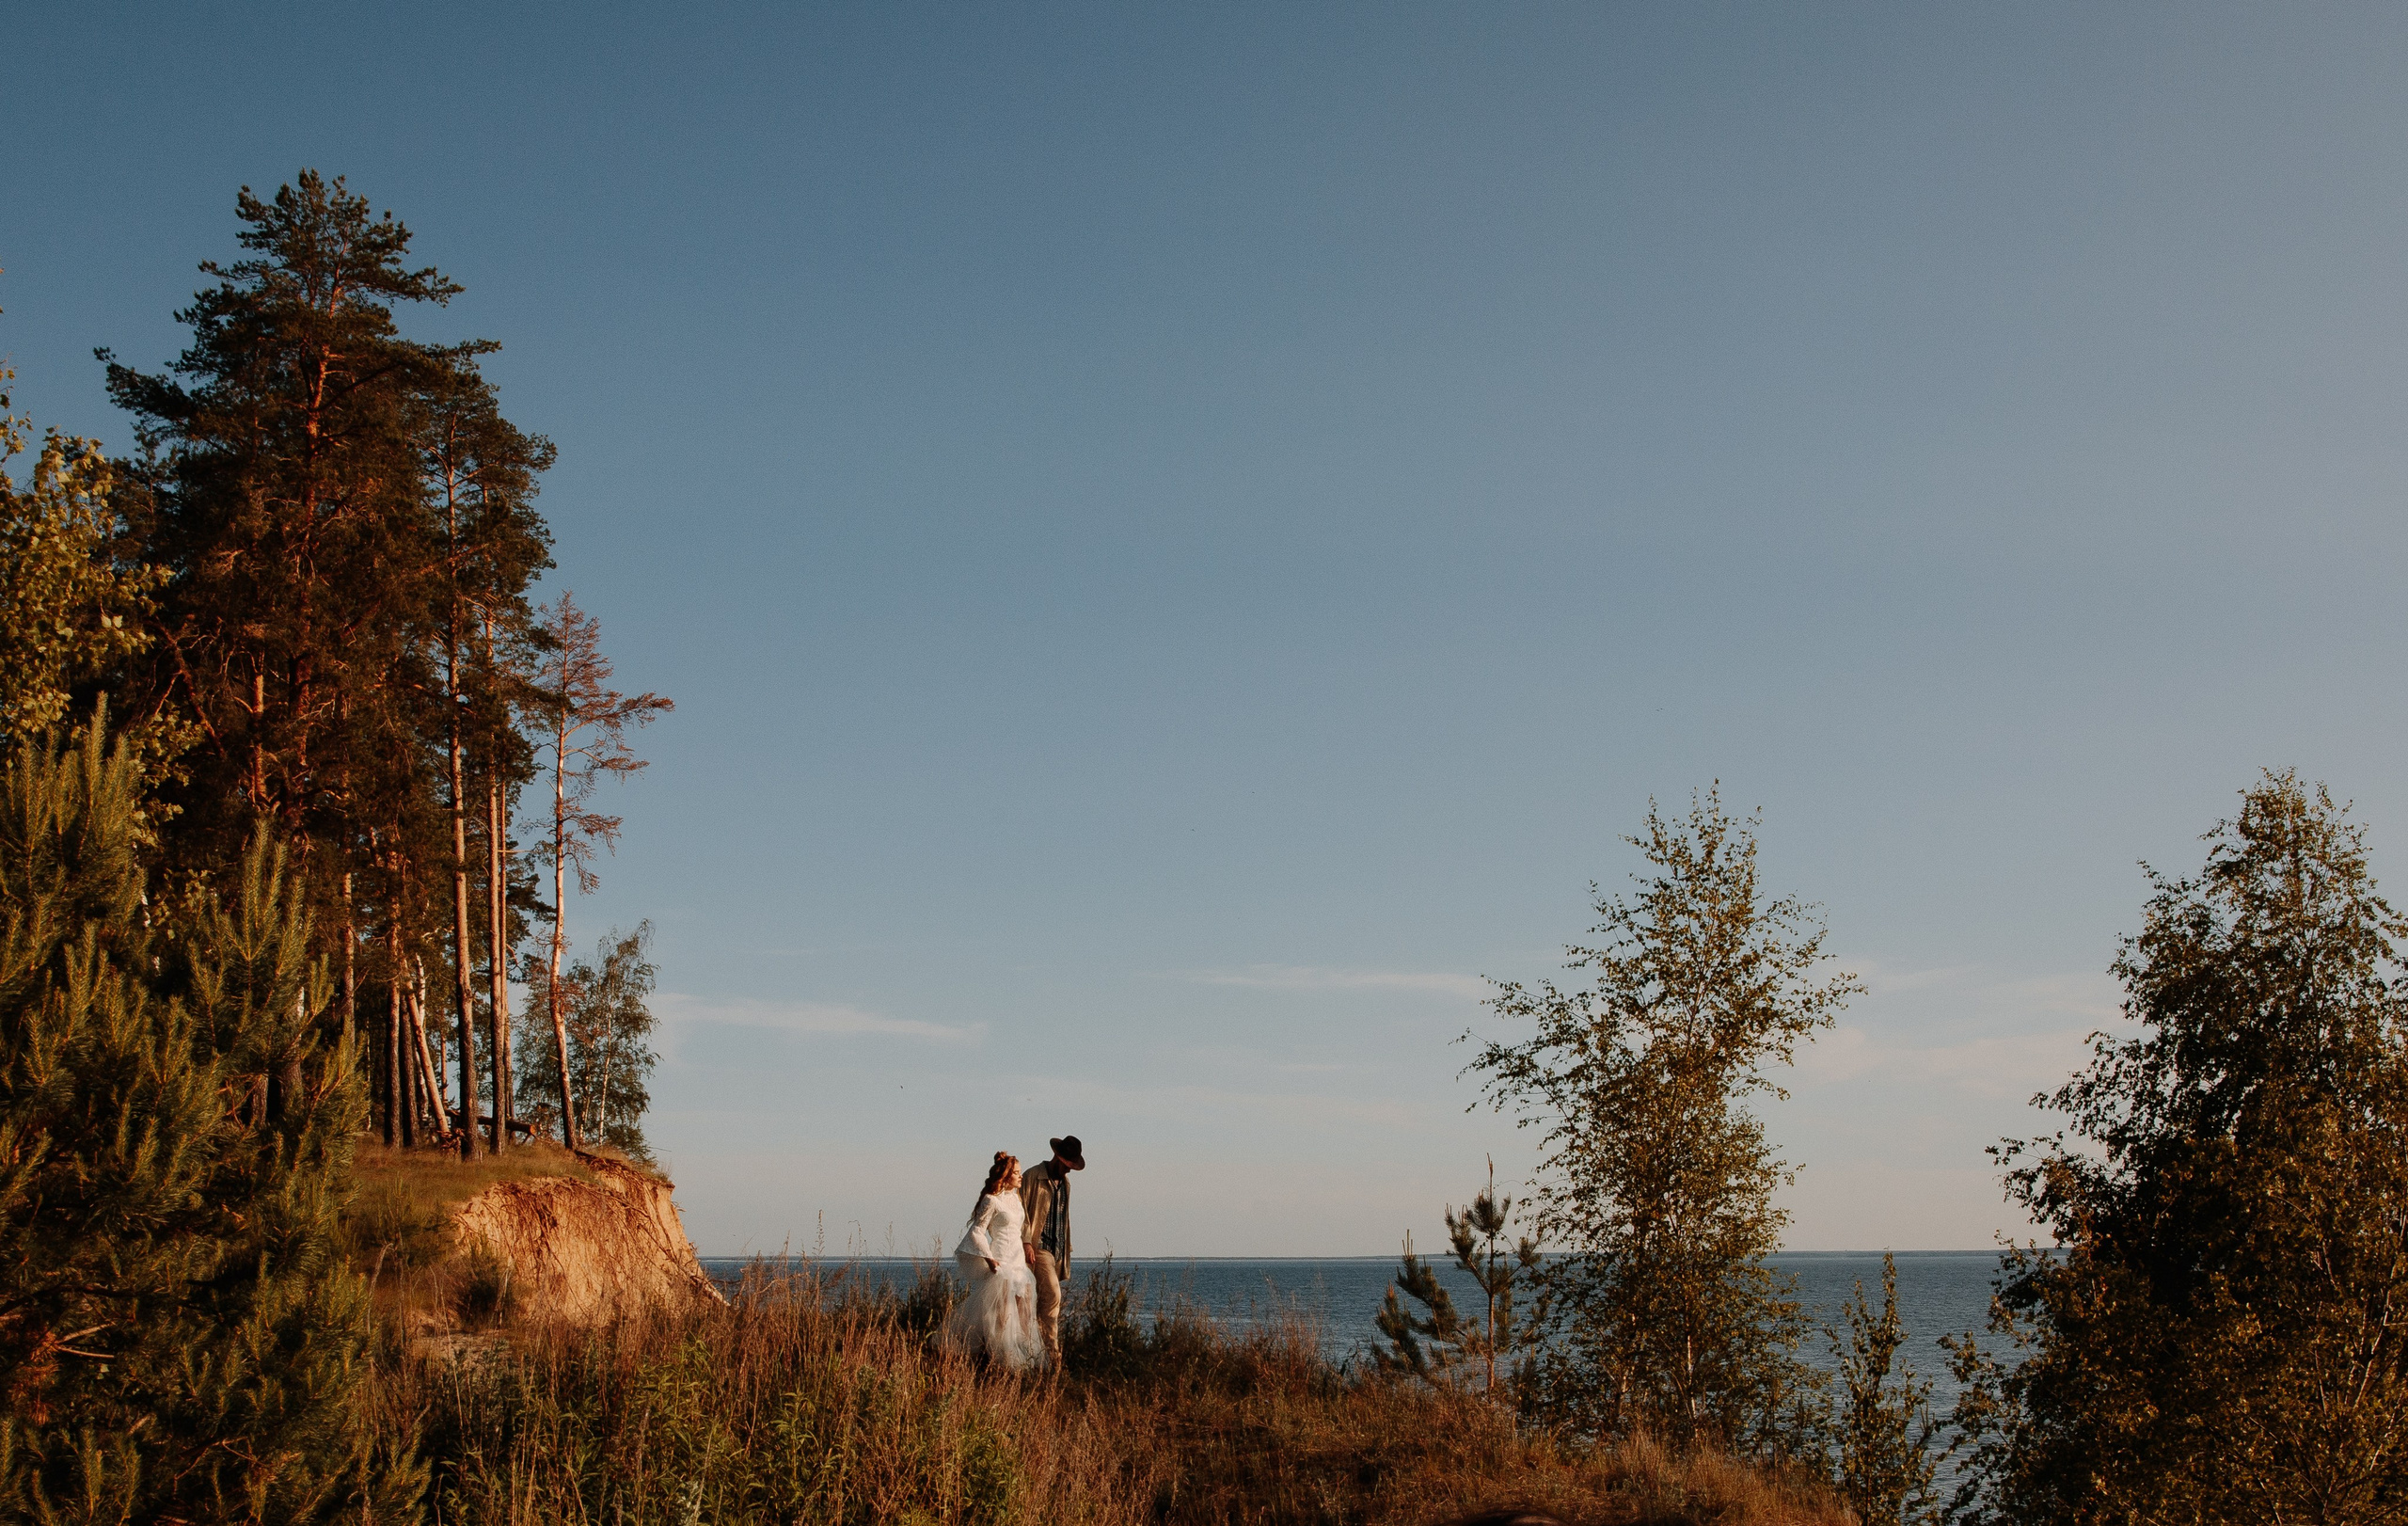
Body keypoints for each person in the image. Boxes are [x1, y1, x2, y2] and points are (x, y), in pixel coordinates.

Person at [947, 1151, 1044, 1370]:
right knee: (1001, 1315)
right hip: (1001, 1259)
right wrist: (990, 1260)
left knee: (1025, 1312)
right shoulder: (991, 1200)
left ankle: (1026, 1357)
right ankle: (1000, 1360)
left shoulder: (1015, 1198)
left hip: (1018, 1260)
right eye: (1017, 1173)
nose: (1021, 1177)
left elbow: (1019, 1230)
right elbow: (977, 1232)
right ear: (1006, 1175)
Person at [1017, 1135, 1084, 1368]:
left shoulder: (1065, 1184)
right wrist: (1026, 1241)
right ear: (1057, 1157)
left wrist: (1066, 1249)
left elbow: (1063, 1219)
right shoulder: (1033, 1177)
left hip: (1057, 1250)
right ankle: (1053, 1356)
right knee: (1053, 1296)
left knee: (1042, 1303)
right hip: (1039, 1247)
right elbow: (1021, 1211)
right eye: (1067, 1165)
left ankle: (1034, 1356)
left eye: (1071, 1167)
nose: (1068, 1170)